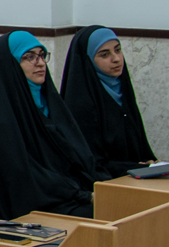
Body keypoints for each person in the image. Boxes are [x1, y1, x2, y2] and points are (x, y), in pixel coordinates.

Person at [0, 32, 100, 220]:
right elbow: (21, 178)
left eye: (42, 55)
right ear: (11, 64)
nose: (40, 63)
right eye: (29, 57)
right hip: (29, 209)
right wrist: (81, 195)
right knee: (111, 213)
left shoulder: (45, 104)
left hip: (63, 195)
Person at [59, 26, 155, 178]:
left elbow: (140, 149)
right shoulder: (80, 104)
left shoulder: (122, 91)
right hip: (100, 186)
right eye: (104, 54)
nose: (116, 59)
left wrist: (151, 163)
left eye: (118, 50)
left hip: (133, 180)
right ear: (88, 60)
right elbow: (92, 165)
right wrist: (138, 168)